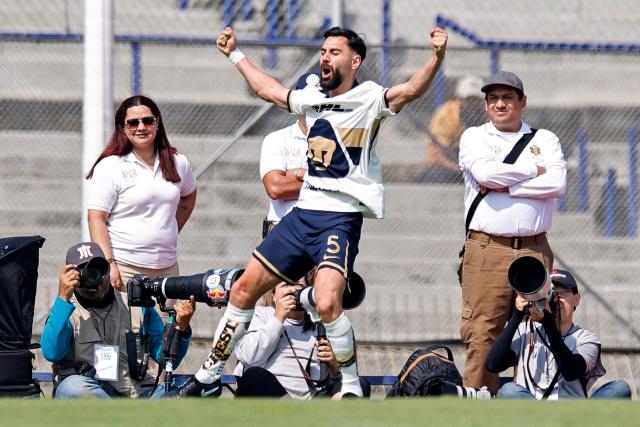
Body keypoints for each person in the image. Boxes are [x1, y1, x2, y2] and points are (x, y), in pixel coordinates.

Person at [171, 25, 448, 398]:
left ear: (355, 60)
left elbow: (411, 89)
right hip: (302, 216)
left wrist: (436, 56)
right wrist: (235, 54)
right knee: (242, 290)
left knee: (327, 300)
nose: (325, 57)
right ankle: (208, 375)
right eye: (322, 51)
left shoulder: (369, 98)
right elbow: (269, 90)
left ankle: (349, 384)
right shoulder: (313, 97)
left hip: (339, 218)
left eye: (334, 51)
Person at [458, 70, 567, 394]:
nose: (500, 104)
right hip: (487, 249)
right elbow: (485, 174)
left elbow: (558, 183)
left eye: (508, 97)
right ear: (486, 104)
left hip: (535, 247)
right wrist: (535, 171)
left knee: (537, 330)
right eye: (493, 98)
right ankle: (478, 410)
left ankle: (526, 406)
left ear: (523, 102)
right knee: (483, 335)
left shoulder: (545, 139)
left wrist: (508, 187)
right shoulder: (475, 137)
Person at [40, 242, 196, 398]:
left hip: (137, 395)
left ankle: (130, 417)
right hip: (91, 392)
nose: (95, 277)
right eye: (85, 272)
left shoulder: (136, 305)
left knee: (192, 387)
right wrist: (62, 298)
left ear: (109, 270)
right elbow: (52, 353)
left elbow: (167, 360)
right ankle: (127, 418)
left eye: (99, 268)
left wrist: (180, 328)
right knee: (72, 386)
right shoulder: (66, 310)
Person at [85, 95, 197, 292]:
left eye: (148, 120)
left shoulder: (178, 162)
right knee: (129, 325)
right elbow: (96, 218)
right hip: (125, 267)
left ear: (157, 123)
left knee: (167, 324)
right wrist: (109, 264)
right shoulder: (111, 166)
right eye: (133, 122)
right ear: (123, 127)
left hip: (167, 268)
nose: (141, 127)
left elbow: (189, 196)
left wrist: (170, 228)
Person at [486, 269, 631, 399]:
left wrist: (548, 323)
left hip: (573, 410)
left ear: (576, 299)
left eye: (561, 293)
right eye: (550, 294)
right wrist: (517, 316)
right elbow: (493, 364)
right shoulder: (526, 330)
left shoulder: (586, 339)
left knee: (620, 388)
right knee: (509, 390)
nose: (555, 299)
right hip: (532, 408)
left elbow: (571, 371)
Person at [233, 275, 371, 399]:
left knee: (358, 386)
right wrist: (278, 318)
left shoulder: (321, 323)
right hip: (273, 397)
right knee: (254, 376)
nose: (292, 290)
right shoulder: (261, 315)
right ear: (273, 295)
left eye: (298, 286)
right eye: (285, 285)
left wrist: (334, 365)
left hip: (314, 400)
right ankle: (293, 415)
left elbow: (339, 378)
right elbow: (249, 358)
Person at [259, 73, 323, 238]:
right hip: (281, 232)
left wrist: (296, 174)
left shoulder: (340, 141)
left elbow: (344, 186)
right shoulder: (277, 139)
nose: (313, 107)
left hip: (322, 234)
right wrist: (323, 182)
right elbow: (276, 188)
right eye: (307, 101)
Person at [416, 75, 485, 183]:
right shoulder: (446, 114)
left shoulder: (489, 116)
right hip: (448, 163)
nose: (473, 104)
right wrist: (460, 170)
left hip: (472, 162)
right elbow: (439, 154)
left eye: (476, 100)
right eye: (469, 99)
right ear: (459, 99)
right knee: (435, 176)